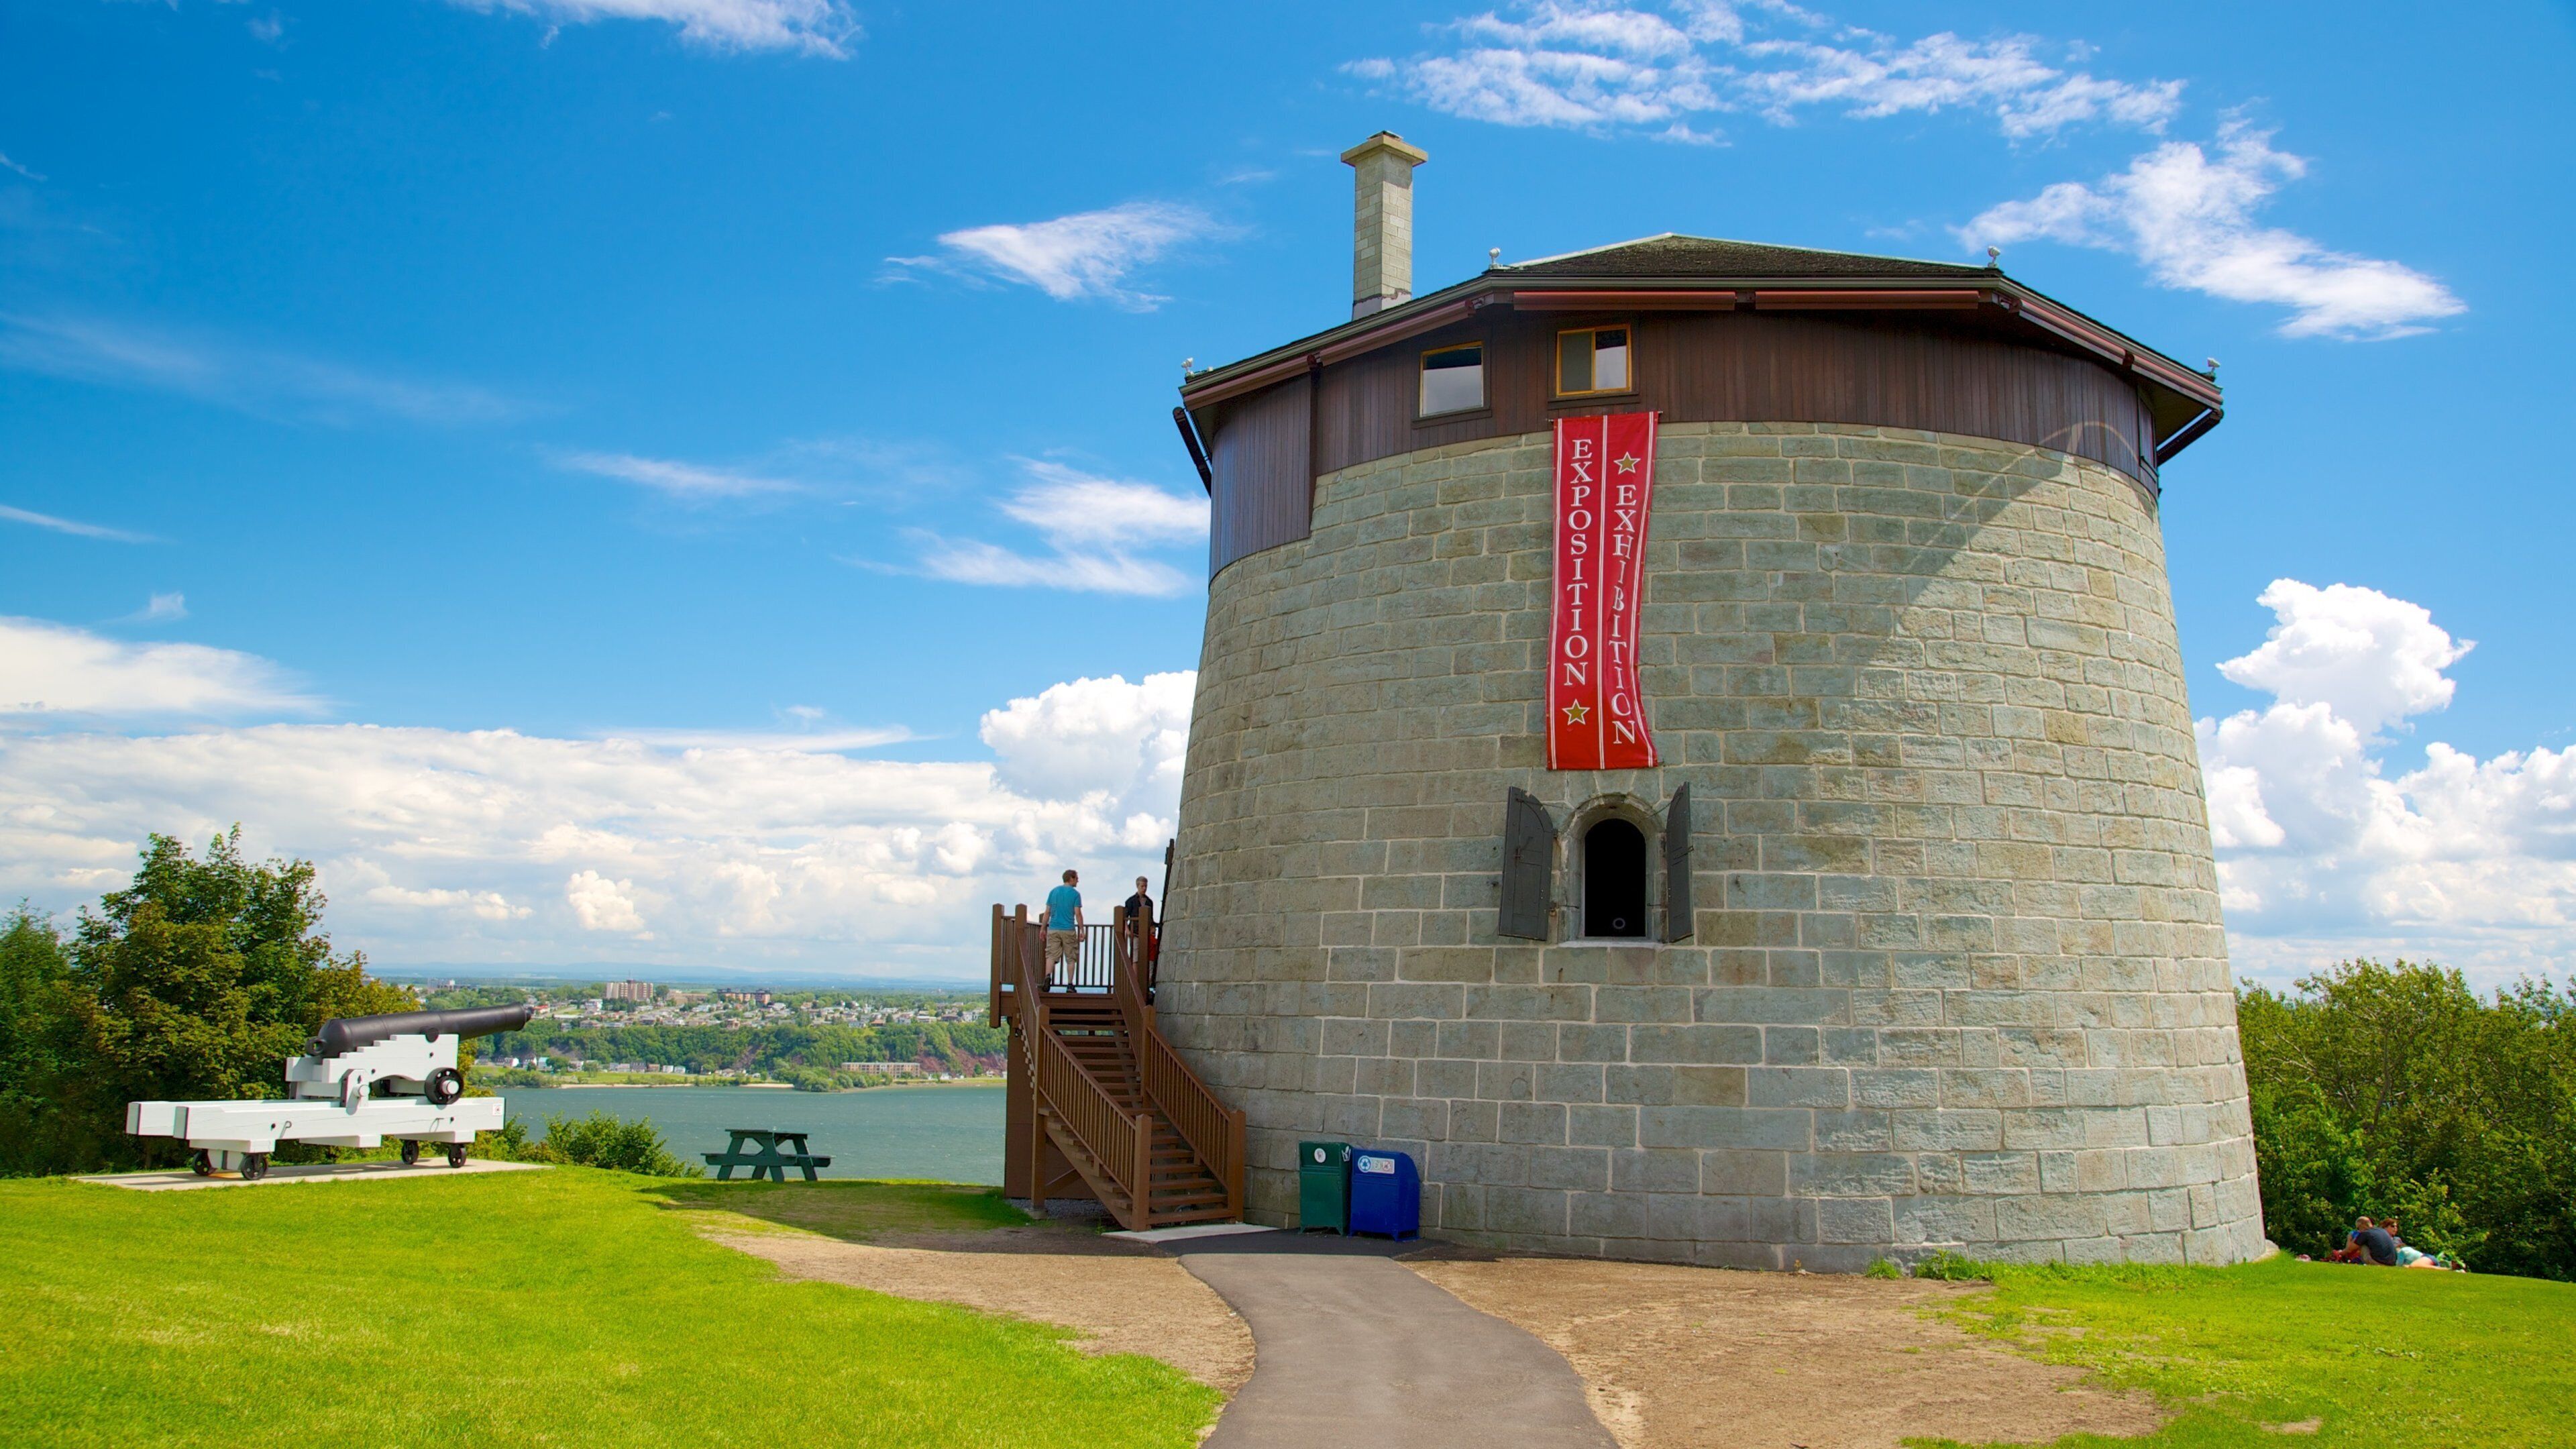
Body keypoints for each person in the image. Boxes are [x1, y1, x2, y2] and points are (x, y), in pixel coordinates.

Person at [1044, 869, 1083, 980]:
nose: (1078, 881)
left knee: (1051, 955)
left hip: (1053, 928)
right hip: (1068, 929)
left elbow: (1047, 912)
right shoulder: (1075, 894)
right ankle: (1070, 984)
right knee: (1071, 958)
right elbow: (1078, 914)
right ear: (1071, 878)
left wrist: (1043, 928)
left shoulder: (1053, 892)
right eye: (1076, 878)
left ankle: (1048, 976)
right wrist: (1082, 930)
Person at [1120, 876, 1157, 963]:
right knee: (1135, 957)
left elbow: (1151, 918)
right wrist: (1128, 931)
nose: (1144, 888)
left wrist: (1153, 928)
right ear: (1137, 886)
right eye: (1142, 886)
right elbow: (1125, 917)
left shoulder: (1149, 902)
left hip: (1146, 933)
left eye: (1146, 886)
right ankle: (1135, 973)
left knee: (1145, 956)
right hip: (1135, 932)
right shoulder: (1130, 901)